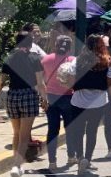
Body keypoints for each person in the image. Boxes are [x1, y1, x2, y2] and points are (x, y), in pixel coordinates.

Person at [0, 30, 46, 177]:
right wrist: (45, 99)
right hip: (28, 95)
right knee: (24, 136)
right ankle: (16, 165)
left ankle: (17, 164)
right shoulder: (34, 58)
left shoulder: (10, 58)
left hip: (12, 96)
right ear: (30, 43)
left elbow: (1, 81)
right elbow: (40, 83)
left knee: (16, 133)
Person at [69, 34, 111, 175]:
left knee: (78, 132)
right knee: (92, 131)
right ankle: (87, 160)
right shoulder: (107, 61)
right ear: (101, 45)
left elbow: (71, 83)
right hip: (98, 103)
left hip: (78, 102)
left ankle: (80, 159)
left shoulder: (77, 61)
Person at [41, 35, 75, 171]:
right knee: (70, 128)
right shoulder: (72, 60)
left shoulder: (46, 59)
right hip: (68, 97)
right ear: (69, 47)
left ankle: (52, 162)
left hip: (51, 98)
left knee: (52, 130)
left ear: (55, 45)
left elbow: (41, 80)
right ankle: (71, 156)